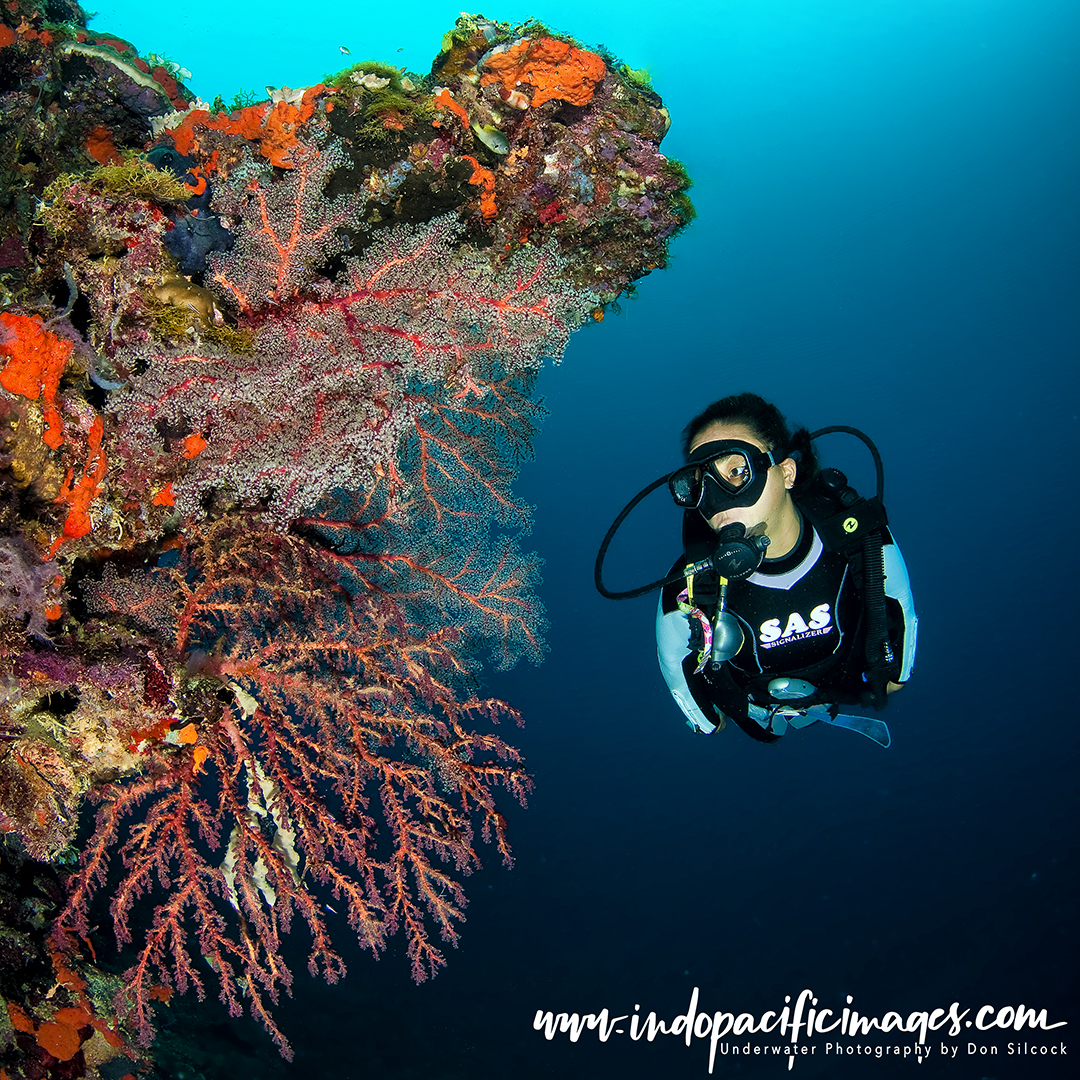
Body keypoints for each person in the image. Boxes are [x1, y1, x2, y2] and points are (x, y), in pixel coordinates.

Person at [654, 393, 916, 746]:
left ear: (787, 472)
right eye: (700, 484)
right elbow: (683, 678)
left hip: (850, 686)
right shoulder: (688, 583)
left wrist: (892, 670)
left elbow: (897, 615)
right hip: (762, 713)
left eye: (736, 471)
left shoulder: (856, 534)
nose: (717, 500)